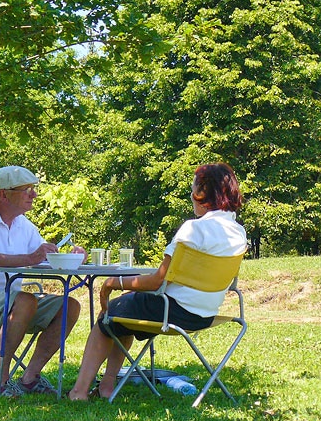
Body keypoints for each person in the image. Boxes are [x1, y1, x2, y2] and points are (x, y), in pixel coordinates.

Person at [67, 162, 247, 401]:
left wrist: (113, 283)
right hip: (205, 313)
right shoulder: (238, 232)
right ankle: (106, 387)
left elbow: (156, 281)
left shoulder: (193, 229)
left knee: (108, 316)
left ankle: (79, 392)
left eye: (192, 189)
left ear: (202, 192)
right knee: (125, 313)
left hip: (171, 311)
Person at [0, 165, 84, 397]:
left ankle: (30, 378)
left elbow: (43, 259)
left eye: (33, 189)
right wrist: (31, 257)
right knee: (25, 300)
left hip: (11, 301)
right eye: (27, 189)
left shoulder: (24, 225)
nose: (34, 194)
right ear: (4, 194)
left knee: (70, 306)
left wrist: (74, 258)